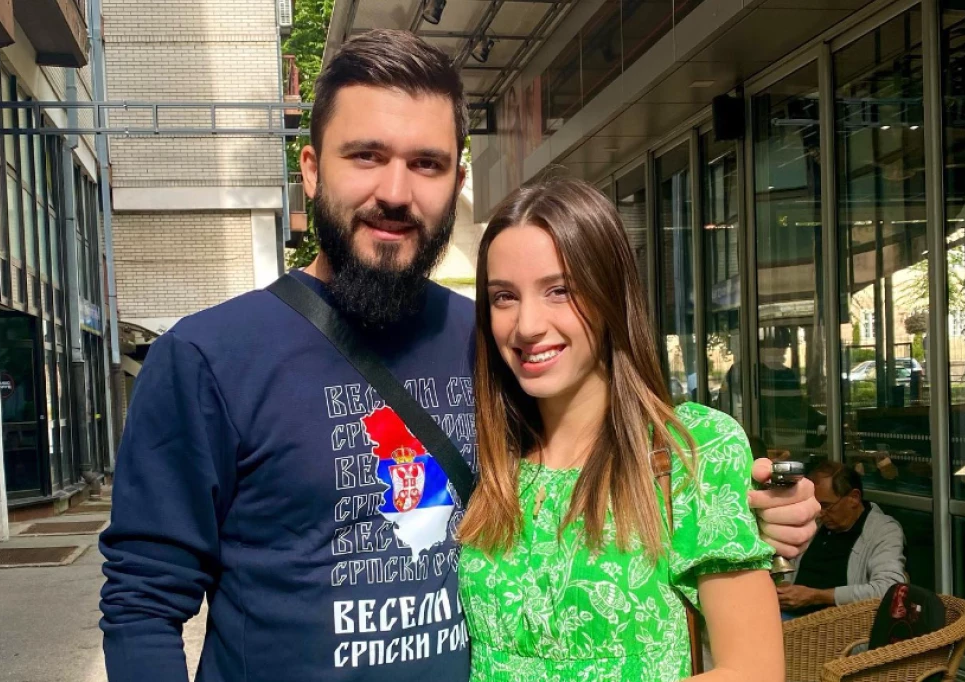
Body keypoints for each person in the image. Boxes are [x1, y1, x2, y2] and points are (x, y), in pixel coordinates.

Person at [99, 29, 818, 682]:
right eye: (366, 156)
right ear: (311, 169)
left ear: (456, 183)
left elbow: (607, 475)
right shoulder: (207, 358)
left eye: (426, 163)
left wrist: (752, 508)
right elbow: (142, 602)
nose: (395, 192)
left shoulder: (494, 344)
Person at [458, 178, 785, 681]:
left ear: (609, 292)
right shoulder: (491, 455)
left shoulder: (692, 449)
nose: (527, 325)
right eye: (504, 296)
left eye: (560, 291)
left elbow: (754, 671)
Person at [777, 462, 906, 618]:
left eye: (826, 505)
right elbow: (787, 561)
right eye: (815, 505)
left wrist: (817, 596)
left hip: (837, 623)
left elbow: (889, 589)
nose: (820, 513)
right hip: (787, 613)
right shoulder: (817, 522)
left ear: (854, 498)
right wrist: (784, 586)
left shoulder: (882, 530)